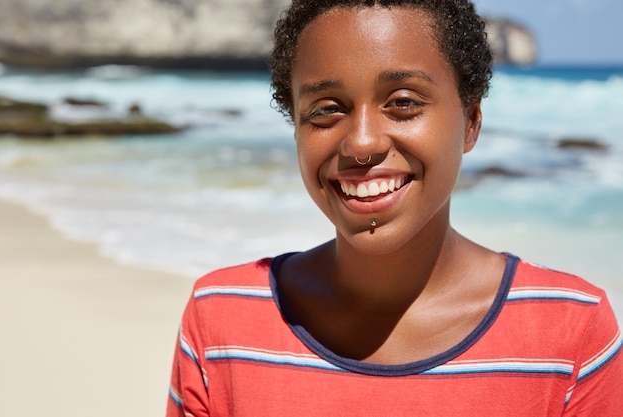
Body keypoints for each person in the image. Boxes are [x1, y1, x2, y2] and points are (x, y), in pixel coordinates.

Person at [167, 0, 622, 415]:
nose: (361, 140)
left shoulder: (571, 334)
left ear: (470, 123)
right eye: (326, 109)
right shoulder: (221, 320)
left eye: (403, 102)